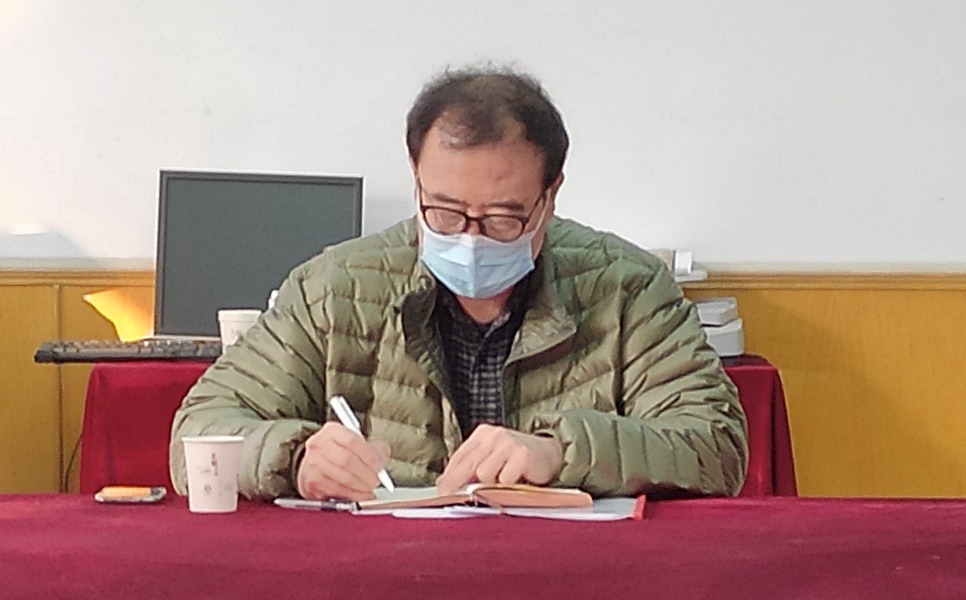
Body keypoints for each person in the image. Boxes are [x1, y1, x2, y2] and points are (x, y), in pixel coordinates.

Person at [169, 66, 748, 501]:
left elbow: (716, 445)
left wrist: (560, 452)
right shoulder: (334, 289)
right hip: (381, 581)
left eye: (503, 218)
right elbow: (199, 430)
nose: (470, 239)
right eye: (444, 212)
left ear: (550, 194)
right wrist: (295, 456)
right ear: (415, 175)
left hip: (569, 583)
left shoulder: (627, 289)